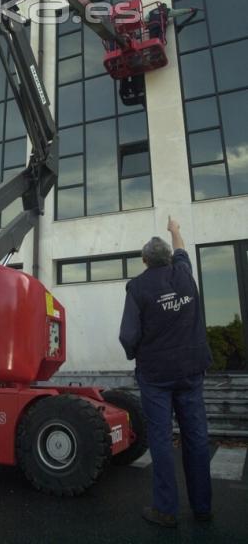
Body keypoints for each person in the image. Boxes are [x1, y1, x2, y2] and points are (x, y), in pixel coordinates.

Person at [119, 216, 213, 528]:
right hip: (190, 371)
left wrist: (138, 356)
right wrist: (175, 230)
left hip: (156, 376)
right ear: (170, 259)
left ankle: (166, 510)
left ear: (145, 261)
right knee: (197, 437)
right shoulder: (185, 273)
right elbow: (182, 249)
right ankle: (202, 508)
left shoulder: (137, 287)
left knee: (160, 438)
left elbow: (128, 335)